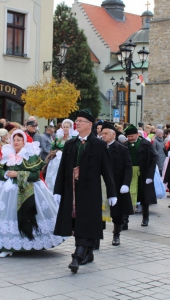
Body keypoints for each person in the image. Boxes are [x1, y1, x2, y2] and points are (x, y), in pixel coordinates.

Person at [53, 109, 117, 274]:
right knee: (76, 222)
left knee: (87, 222)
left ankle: (77, 258)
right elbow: (62, 169)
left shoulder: (99, 145)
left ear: (89, 124)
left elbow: (107, 171)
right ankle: (87, 253)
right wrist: (58, 191)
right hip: (72, 190)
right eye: (77, 120)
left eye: (81, 120)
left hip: (90, 191)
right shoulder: (70, 144)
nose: (78, 123)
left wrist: (112, 193)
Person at [0, 130, 65, 257]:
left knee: (25, 215)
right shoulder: (7, 155)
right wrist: (6, 174)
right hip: (6, 192)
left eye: (18, 140)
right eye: (14, 140)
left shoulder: (30, 156)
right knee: (7, 216)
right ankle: (7, 245)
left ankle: (28, 242)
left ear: (24, 142)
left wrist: (18, 174)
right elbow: (0, 172)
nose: (16, 142)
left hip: (27, 190)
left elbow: (35, 175)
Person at [100, 122, 133, 246]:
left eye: (106, 133)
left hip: (117, 184)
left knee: (117, 212)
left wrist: (126, 184)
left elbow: (128, 167)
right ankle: (97, 237)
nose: (103, 135)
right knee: (100, 211)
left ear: (113, 134)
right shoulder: (99, 147)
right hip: (101, 184)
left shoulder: (122, 149)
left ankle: (116, 234)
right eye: (102, 133)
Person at [122, 124, 157, 228]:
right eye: (128, 137)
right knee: (126, 196)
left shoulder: (146, 144)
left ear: (137, 134)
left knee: (143, 197)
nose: (130, 138)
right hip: (128, 173)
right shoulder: (124, 144)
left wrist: (150, 176)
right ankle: (125, 221)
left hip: (142, 173)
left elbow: (153, 159)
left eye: (132, 136)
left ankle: (145, 218)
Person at [44, 119, 78, 193]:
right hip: (56, 161)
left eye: (67, 127)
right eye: (64, 127)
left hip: (67, 160)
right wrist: (54, 152)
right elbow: (52, 148)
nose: (65, 129)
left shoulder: (73, 138)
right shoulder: (59, 138)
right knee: (53, 177)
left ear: (71, 128)